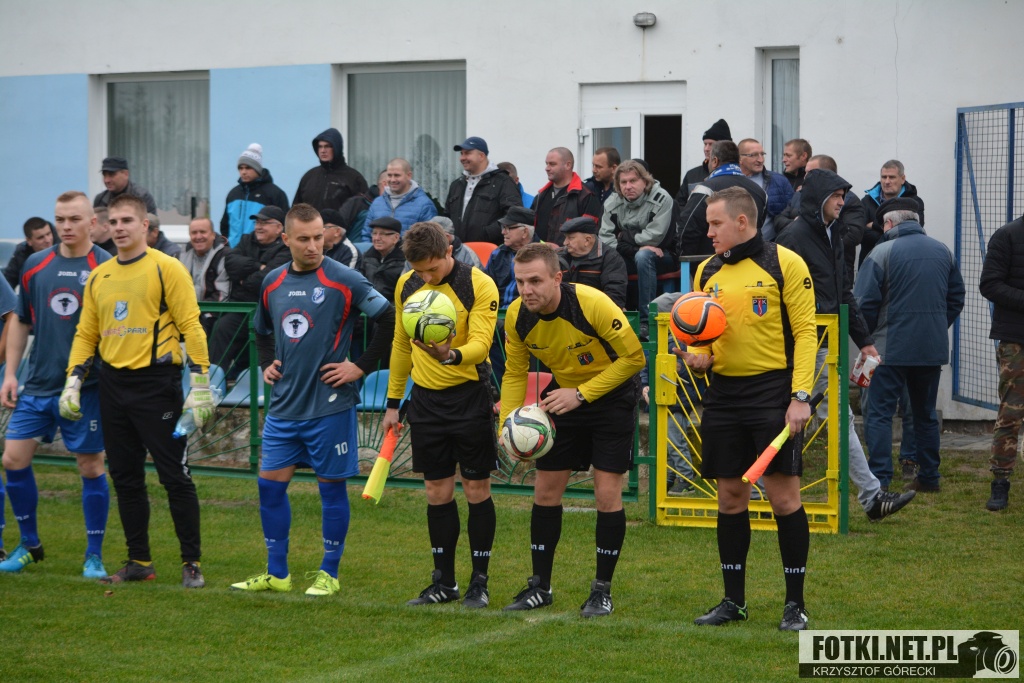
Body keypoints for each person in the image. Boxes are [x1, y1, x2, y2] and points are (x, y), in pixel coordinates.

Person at [229, 204, 394, 597]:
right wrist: (266, 363)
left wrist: (360, 367)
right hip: (284, 408)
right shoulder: (272, 281)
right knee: (269, 489)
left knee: (331, 492)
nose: (313, 245)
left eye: (319, 237)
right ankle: (277, 574)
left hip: (330, 406)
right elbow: (261, 330)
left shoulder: (344, 279)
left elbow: (389, 319)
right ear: (286, 239)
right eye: (303, 239)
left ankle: (329, 573)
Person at [60, 193, 213, 587]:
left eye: (127, 220)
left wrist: (200, 385)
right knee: (125, 477)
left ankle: (191, 563)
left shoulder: (167, 268)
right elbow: (86, 334)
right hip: (113, 386)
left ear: (145, 225)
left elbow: (191, 326)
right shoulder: (99, 276)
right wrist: (73, 382)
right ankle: (138, 561)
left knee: (174, 476)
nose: (119, 228)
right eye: (113, 222)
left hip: (157, 385)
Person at [683, 186, 817, 631]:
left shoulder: (785, 263)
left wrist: (800, 397)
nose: (708, 232)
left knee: (784, 499)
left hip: (772, 393)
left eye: (715, 223)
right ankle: (733, 602)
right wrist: (699, 356)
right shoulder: (707, 270)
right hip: (724, 395)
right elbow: (700, 336)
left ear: (742, 222)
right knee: (729, 498)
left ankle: (795, 605)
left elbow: (806, 333)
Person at [499, 243, 644, 617]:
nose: (526, 290)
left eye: (535, 281)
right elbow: (515, 372)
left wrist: (581, 394)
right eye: (520, 282)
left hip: (610, 398)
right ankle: (540, 586)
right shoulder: (517, 315)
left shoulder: (592, 304)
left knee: (606, 494)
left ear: (557, 278)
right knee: (545, 491)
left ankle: (601, 591)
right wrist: (507, 426)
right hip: (563, 398)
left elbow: (634, 358)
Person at [775, 169, 916, 521]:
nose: (842, 202)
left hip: (824, 344)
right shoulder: (792, 236)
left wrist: (865, 342)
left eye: (843, 196)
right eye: (837, 196)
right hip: (801, 347)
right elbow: (781, 295)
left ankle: (869, 496)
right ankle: (870, 497)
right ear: (819, 198)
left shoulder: (834, 235)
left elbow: (843, 294)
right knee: (831, 417)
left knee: (836, 417)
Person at [382, 221, 499, 609]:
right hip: (426, 402)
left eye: (432, 269)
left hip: (470, 397)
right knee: (436, 492)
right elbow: (401, 344)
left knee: (476, 490)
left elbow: (482, 345)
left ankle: (479, 582)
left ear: (449, 250)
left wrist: (451, 355)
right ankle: (444, 582)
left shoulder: (478, 284)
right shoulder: (407, 284)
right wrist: (393, 402)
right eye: (420, 271)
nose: (427, 278)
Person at [0, 191, 112, 577]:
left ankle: (93, 554)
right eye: (60, 219)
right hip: (38, 385)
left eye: (74, 219)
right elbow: (21, 321)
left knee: (90, 466)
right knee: (13, 459)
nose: (66, 226)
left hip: (87, 388)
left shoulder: (106, 266)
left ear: (92, 223)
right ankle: (30, 544)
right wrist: (11, 373)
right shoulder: (35, 264)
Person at [855, 197, 965, 494]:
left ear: (889, 224)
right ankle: (929, 476)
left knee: (879, 413)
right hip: (930, 350)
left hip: (887, 350)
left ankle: (880, 479)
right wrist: (935, 327)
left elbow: (864, 304)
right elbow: (956, 298)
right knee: (924, 414)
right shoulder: (943, 251)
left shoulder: (881, 252)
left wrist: (868, 340)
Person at [208, 205, 290, 375]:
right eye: (257, 223)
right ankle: (214, 380)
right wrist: (258, 266)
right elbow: (230, 262)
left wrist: (243, 280)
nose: (259, 227)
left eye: (265, 223)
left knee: (266, 341)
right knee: (221, 328)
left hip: (270, 312)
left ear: (279, 228)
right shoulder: (247, 239)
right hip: (242, 307)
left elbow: (267, 281)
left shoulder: (286, 248)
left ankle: (262, 383)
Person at [598, 159, 676, 335]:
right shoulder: (613, 201)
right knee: (606, 257)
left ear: (645, 181)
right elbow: (605, 239)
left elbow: (654, 237)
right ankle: (614, 315)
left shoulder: (661, 198)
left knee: (644, 257)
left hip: (664, 254)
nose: (628, 187)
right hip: (630, 254)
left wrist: (624, 237)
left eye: (633, 181)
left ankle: (646, 320)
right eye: (623, 182)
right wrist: (633, 248)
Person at [979, 211, 1024, 511]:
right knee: (1011, 411)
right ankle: (1000, 482)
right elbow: (990, 285)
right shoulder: (1007, 235)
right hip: (1016, 339)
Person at [677, 140, 766, 275]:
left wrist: (688, 263)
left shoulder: (704, 189)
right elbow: (758, 226)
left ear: (715, 161)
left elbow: (687, 229)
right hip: (750, 266)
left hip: (711, 266)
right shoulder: (760, 192)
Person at [444, 136, 522, 245]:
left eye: (467, 153)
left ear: (481, 156)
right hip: (459, 250)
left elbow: (514, 214)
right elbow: (447, 217)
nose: (462, 158)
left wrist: (487, 234)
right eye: (461, 153)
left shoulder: (503, 182)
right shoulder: (456, 185)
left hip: (491, 250)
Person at [219, 143, 290, 247]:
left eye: (248, 168)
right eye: (240, 168)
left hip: (262, 252)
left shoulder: (274, 193)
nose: (243, 172)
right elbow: (225, 225)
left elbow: (286, 225)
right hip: (233, 251)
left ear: (257, 169)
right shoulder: (233, 194)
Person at [533, 147, 603, 245]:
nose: (547, 168)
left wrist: (562, 250)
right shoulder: (540, 196)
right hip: (539, 253)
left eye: (552, 164)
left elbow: (589, 237)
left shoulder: (586, 196)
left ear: (568, 165)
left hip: (570, 255)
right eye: (546, 164)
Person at [859, 160, 923, 265]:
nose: (887, 181)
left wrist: (874, 225)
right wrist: (895, 231)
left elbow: (914, 230)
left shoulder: (914, 202)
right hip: (871, 263)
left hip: (903, 262)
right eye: (884, 177)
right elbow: (860, 233)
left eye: (892, 177)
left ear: (903, 179)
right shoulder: (866, 201)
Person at [557, 216, 627, 309]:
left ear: (587, 240)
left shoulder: (611, 259)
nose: (565, 243)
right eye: (565, 238)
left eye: (570, 238)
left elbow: (614, 296)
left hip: (595, 312)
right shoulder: (557, 257)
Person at [294, 128, 369, 212]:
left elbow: (363, 212)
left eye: (327, 146)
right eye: (320, 147)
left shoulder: (353, 178)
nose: (323, 151)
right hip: (311, 221)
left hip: (341, 221)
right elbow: (296, 209)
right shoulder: (309, 177)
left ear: (336, 147)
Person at [736, 139, 794, 241]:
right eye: (754, 155)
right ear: (740, 158)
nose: (760, 159)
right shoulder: (730, 181)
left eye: (762, 154)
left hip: (772, 244)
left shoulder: (779, 181)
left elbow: (792, 212)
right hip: (738, 245)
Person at [179, 217, 229, 336]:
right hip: (184, 312)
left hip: (211, 314)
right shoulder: (180, 255)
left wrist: (198, 312)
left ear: (213, 235)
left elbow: (222, 294)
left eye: (203, 232)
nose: (198, 236)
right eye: (194, 233)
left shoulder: (224, 256)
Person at [364, 158, 437, 233]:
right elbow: (366, 234)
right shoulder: (377, 202)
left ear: (409, 175)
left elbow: (429, 237)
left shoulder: (424, 205)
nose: (392, 180)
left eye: (397, 175)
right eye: (389, 175)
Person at [484, 206, 535, 308]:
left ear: (525, 232)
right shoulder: (497, 254)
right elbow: (486, 287)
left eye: (508, 228)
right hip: (496, 311)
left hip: (526, 312)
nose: (503, 232)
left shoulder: (542, 256)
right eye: (503, 227)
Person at [676, 119, 731, 208]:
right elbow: (680, 205)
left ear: (724, 147)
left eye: (711, 144)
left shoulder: (735, 175)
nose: (706, 149)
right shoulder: (692, 175)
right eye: (705, 144)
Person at [360, 217, 406, 303]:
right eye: (374, 233)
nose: (377, 238)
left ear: (396, 238)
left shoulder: (405, 261)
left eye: (382, 234)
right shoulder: (366, 257)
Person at [3, 217, 54, 290]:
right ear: (29, 241)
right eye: (40, 237)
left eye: (48, 234)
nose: (48, 240)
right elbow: (7, 284)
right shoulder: (21, 254)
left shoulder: (64, 246)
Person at [92, 156, 157, 214]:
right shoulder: (100, 199)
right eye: (104, 175)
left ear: (126, 174)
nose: (106, 180)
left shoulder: (142, 197)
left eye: (111, 175)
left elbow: (151, 223)